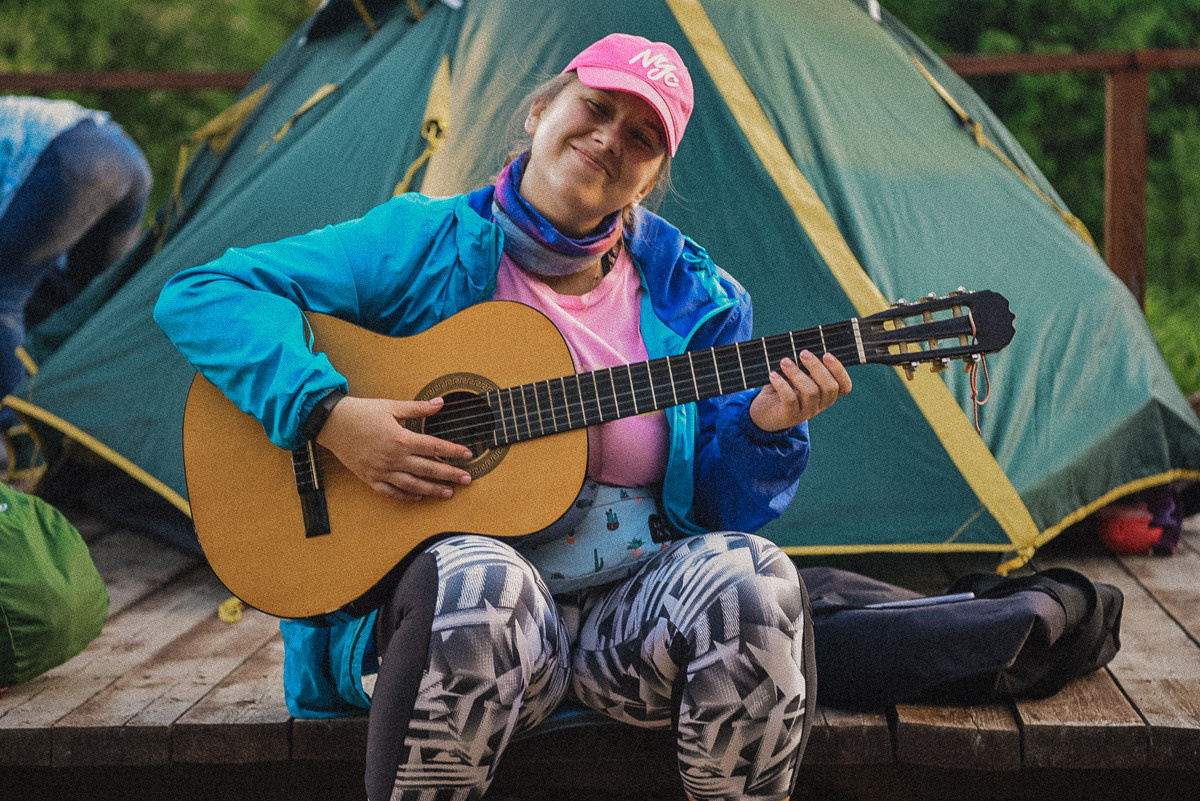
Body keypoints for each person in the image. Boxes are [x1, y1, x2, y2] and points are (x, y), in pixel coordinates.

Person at [155, 33, 851, 801]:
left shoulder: (702, 298)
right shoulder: (422, 242)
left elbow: (725, 508)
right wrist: (329, 414)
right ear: (539, 110)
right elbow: (203, 292)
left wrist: (766, 430)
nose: (608, 139)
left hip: (631, 631)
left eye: (641, 137)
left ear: (652, 179)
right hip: (483, 630)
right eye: (595, 107)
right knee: (481, 580)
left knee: (759, 577)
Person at [0, 96, 151, 433]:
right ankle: (100, 436)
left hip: (75, 158)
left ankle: (9, 441)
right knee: (87, 314)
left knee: (3, 298)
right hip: (123, 158)